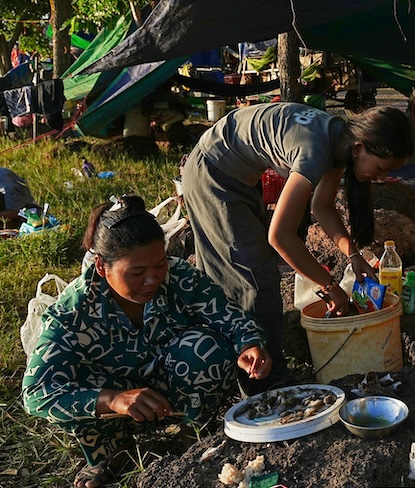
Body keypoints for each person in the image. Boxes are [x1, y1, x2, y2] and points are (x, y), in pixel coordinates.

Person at [22, 195, 270, 488]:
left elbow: (229, 318)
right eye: (137, 273)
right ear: (102, 267)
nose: (152, 279)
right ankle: (113, 451)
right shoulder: (72, 311)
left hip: (170, 393)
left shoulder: (179, 276)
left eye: (159, 265)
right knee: (71, 393)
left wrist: (249, 344)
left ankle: (193, 434)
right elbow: (36, 392)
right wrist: (112, 400)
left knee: (206, 348)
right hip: (113, 407)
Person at [182, 103, 413, 394]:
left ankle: (244, 373)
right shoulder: (316, 151)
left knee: (242, 273)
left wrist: (354, 257)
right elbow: (279, 236)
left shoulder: (338, 140)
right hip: (214, 175)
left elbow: (322, 207)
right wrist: (329, 286)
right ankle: (266, 386)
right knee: (255, 280)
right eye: (381, 168)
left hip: (234, 173)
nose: (381, 178)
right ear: (359, 148)